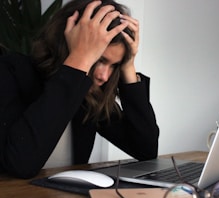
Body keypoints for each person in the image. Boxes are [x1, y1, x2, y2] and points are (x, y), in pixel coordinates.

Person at [0, 0, 159, 179]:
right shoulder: (10, 71)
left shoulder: (88, 95)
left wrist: (128, 66)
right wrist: (79, 59)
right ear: (67, 42)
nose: (104, 76)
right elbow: (19, 164)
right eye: (99, 59)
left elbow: (146, 150)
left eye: (114, 65)